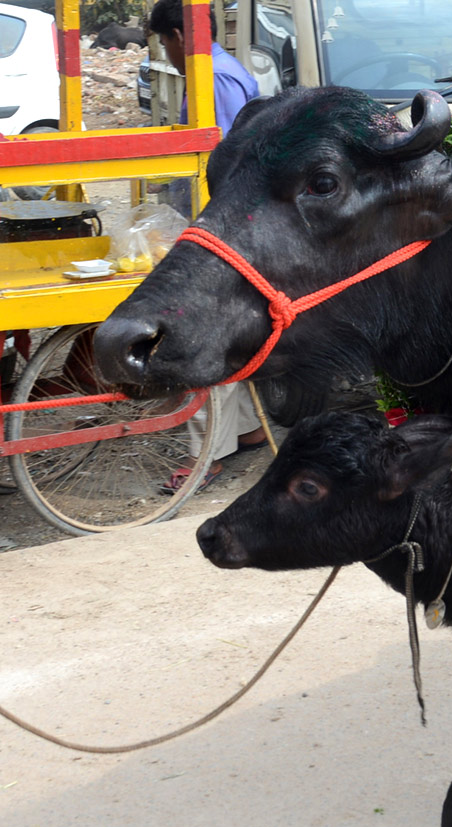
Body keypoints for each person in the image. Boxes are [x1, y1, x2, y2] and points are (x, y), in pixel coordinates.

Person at [146, 0, 267, 493]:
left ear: (179, 35)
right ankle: (247, 429)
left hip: (223, 230)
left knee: (202, 332)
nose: (166, 54)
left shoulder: (214, 79)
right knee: (234, 331)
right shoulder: (222, 71)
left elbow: (222, 167)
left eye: (164, 44)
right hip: (229, 225)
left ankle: (206, 457)